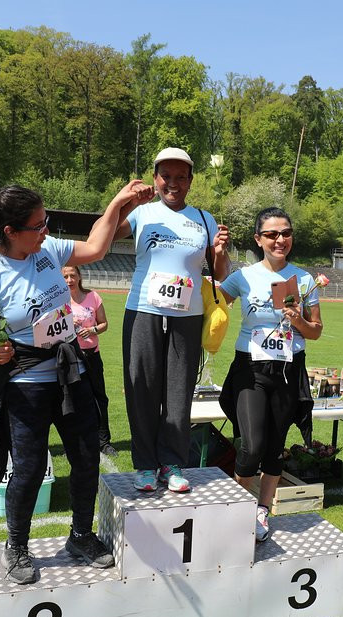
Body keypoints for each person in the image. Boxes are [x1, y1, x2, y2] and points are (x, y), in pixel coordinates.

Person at [0, 180, 152, 584]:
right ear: (10, 231)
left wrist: (117, 201)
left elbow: (96, 247)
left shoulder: (47, 250)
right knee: (27, 468)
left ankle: (80, 536)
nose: (46, 230)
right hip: (25, 382)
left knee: (85, 458)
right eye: (37, 224)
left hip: (69, 372)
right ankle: (17, 546)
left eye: (47, 221)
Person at [107, 147, 230, 493]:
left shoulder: (204, 220)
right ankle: (146, 465)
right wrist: (122, 202)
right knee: (141, 388)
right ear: (156, 178)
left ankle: (172, 463)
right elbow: (103, 236)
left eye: (180, 177)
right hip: (143, 311)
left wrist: (221, 252)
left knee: (179, 393)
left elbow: (219, 273)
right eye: (166, 176)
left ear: (190, 181)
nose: (172, 183)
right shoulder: (143, 213)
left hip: (186, 318)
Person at [218, 207, 322, 542]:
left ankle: (262, 511)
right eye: (272, 234)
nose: (280, 240)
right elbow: (214, 302)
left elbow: (316, 330)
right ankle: (238, 507)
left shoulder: (304, 280)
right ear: (258, 239)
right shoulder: (243, 277)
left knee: (275, 446)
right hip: (251, 367)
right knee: (252, 444)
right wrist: (217, 255)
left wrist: (297, 319)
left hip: (289, 370)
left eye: (286, 233)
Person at [63, 264, 115, 456]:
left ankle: (104, 442)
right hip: (70, 357)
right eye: (66, 277)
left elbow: (104, 324)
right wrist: (68, 322)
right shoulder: (60, 301)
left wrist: (92, 329)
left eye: (72, 276)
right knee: (72, 400)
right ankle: (79, 440)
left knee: (99, 397)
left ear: (79, 276)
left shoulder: (93, 297)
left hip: (92, 354)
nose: (69, 280)